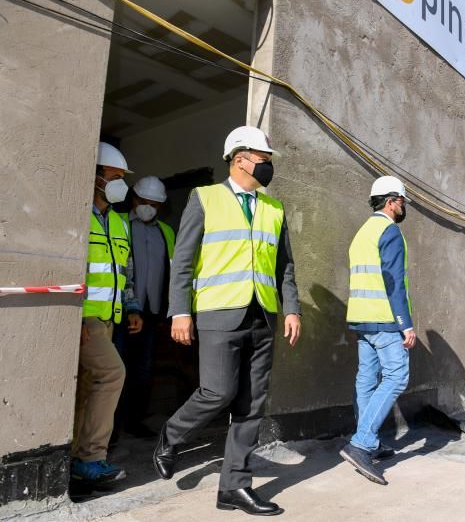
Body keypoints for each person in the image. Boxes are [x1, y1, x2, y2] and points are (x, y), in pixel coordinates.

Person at [153, 126, 301, 516]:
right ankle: (172, 434)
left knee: (251, 406)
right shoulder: (205, 198)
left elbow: (284, 266)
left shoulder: (274, 209)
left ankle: (234, 487)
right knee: (216, 392)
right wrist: (180, 311)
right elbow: (182, 261)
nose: (268, 166)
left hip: (262, 315)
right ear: (240, 158)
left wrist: (291, 308)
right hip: (219, 312)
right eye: (263, 159)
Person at [72, 142, 143, 486]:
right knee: (113, 375)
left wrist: (131, 307)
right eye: (114, 177)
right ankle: (92, 457)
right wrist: (76, 317)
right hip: (86, 320)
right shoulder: (76, 215)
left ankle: (75, 458)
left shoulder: (119, 222)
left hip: (110, 319)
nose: (120, 184)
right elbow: (68, 270)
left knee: (88, 387)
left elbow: (124, 270)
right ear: (95, 176)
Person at [340, 176, 416, 486]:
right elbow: (393, 282)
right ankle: (361, 443)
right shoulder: (390, 231)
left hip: (361, 318)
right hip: (385, 319)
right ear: (390, 201)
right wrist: (405, 324)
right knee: (397, 376)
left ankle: (365, 438)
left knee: (367, 379)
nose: (403, 207)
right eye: (402, 201)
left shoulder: (362, 233)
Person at [116, 176, 175, 438]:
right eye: (143, 201)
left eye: (154, 203)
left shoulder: (166, 231)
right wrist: (130, 307)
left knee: (144, 368)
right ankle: (112, 427)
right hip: (121, 310)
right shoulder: (119, 224)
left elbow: (173, 269)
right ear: (133, 198)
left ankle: (134, 421)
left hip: (152, 313)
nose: (147, 207)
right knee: (116, 369)